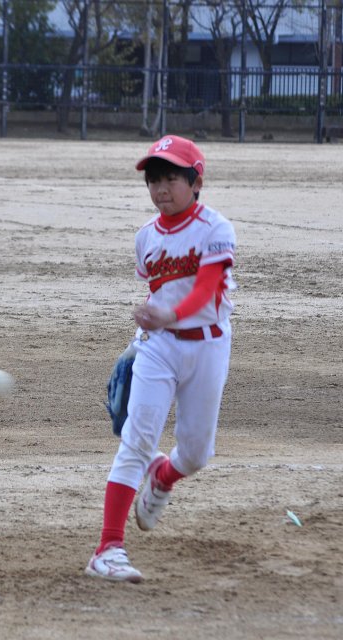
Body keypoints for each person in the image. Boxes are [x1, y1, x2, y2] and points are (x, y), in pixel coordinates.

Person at [85, 135, 236, 582]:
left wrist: (171, 313)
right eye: (154, 180)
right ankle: (108, 549)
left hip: (208, 345)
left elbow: (206, 290)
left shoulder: (215, 229)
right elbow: (157, 292)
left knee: (195, 455)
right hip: (158, 346)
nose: (161, 189)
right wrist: (153, 326)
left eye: (171, 178)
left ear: (196, 182)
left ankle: (163, 476)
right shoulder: (145, 237)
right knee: (136, 439)